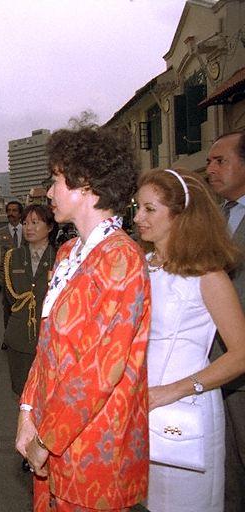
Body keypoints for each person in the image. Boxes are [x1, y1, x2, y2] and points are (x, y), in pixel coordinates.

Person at [15, 126, 151, 511]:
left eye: (56, 179)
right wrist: (28, 411)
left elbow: (100, 371)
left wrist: (46, 438)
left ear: (86, 183)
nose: (49, 191)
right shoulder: (69, 252)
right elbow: (47, 346)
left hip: (95, 446)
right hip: (54, 437)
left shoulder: (121, 259)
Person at [134, 168, 245, 512]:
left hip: (188, 410)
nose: (138, 217)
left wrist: (176, 390)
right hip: (140, 408)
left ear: (180, 213)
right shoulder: (139, 266)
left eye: (149, 209)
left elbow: (240, 354)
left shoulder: (206, 274)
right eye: (137, 207)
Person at [207, 131, 245, 512]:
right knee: (227, 476)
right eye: (211, 161)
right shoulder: (216, 218)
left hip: (241, 359)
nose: (212, 168)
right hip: (216, 365)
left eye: (221, 161)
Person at [2, 204, 56, 397]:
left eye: (35, 222)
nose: (28, 228)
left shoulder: (60, 258)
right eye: (25, 223)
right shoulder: (13, 257)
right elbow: (10, 298)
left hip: (51, 339)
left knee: (49, 395)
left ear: (49, 227)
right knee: (23, 394)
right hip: (19, 340)